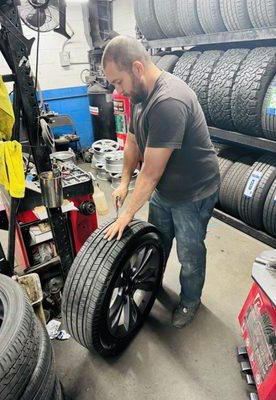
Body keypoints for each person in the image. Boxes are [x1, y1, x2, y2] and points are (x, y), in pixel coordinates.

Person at [102, 36, 220, 328]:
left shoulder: (168, 101)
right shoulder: (138, 94)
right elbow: (132, 140)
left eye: (118, 82)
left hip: (193, 192)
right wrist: (124, 181)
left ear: (138, 68)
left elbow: (151, 173)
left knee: (190, 254)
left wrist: (127, 214)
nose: (117, 90)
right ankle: (152, 285)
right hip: (165, 188)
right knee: (159, 241)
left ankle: (190, 302)